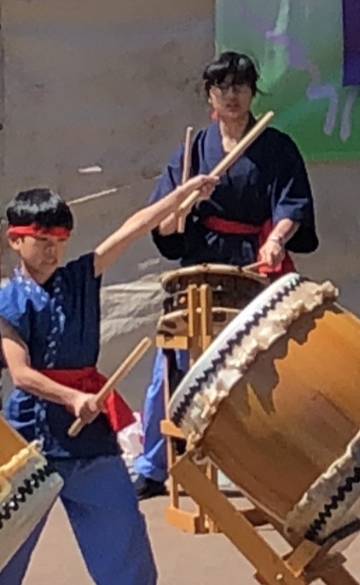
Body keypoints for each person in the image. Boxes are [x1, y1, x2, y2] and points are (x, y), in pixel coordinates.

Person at [0, 174, 219, 584]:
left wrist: (181, 195)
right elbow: (22, 374)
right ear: (16, 240)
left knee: (124, 545)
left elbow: (131, 229)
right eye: (42, 240)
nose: (52, 250)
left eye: (60, 240)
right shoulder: (7, 300)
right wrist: (71, 397)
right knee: (5, 547)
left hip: (90, 443)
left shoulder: (80, 278)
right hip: (30, 442)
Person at [130, 51, 319, 499]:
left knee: (262, 365)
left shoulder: (276, 148)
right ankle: (154, 465)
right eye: (221, 87)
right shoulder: (192, 150)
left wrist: (276, 240)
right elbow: (167, 227)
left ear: (253, 92)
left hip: (254, 263)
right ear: (209, 95)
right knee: (174, 363)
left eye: (239, 86)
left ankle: (266, 461)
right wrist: (184, 204)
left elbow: (291, 206)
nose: (231, 95)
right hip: (200, 265)